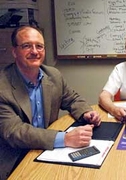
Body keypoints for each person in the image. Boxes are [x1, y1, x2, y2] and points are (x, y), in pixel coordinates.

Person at [0, 25, 101, 179]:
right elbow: (15, 132)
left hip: (49, 151)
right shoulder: (3, 86)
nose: (35, 51)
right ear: (14, 51)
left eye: (39, 46)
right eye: (27, 46)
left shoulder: (53, 75)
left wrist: (86, 112)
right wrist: (65, 138)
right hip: (16, 157)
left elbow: (72, 98)